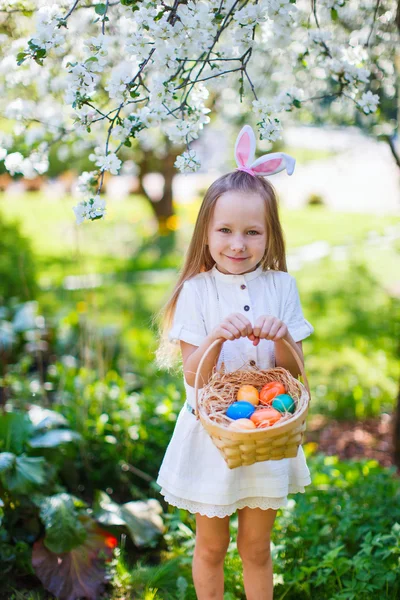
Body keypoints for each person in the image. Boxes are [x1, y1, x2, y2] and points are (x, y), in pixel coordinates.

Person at [154, 125, 314, 600]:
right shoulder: (196, 292)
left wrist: (282, 336)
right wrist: (215, 342)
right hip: (212, 439)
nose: (237, 244)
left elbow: (296, 372)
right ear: (206, 232)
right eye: (225, 230)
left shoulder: (281, 287)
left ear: (270, 235)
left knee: (257, 546)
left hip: (268, 437)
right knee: (210, 545)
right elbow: (192, 374)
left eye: (252, 232)